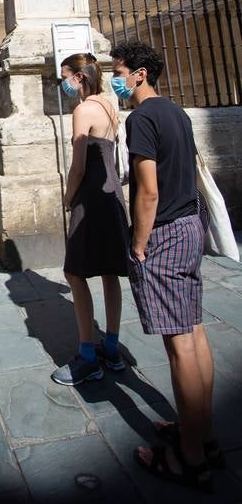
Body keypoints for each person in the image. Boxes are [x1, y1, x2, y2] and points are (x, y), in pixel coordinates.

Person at [111, 41, 217, 493]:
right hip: (190, 223)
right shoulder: (176, 112)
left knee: (180, 348)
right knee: (194, 333)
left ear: (138, 74)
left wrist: (138, 244)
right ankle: (199, 432)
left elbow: (147, 190)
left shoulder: (142, 118)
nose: (115, 79)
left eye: (118, 71)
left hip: (166, 232)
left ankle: (189, 459)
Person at [51, 53, 129, 387]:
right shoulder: (110, 106)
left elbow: (78, 165)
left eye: (65, 76)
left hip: (91, 197)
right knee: (110, 271)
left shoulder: (83, 110)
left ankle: (86, 356)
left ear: (79, 78)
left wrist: (69, 196)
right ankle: (110, 346)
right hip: (112, 194)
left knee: (75, 271)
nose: (63, 83)